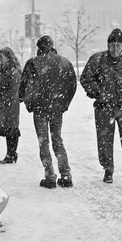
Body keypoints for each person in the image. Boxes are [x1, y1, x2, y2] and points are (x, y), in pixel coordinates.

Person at [80, 28, 122, 186]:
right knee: (105, 140)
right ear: (108, 45)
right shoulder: (97, 59)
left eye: (118, 45)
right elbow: (86, 78)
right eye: (112, 45)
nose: (115, 49)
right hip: (104, 108)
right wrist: (98, 92)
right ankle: (108, 170)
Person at [19, 35, 77, 189]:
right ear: (52, 46)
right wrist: (64, 103)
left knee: (43, 142)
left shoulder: (33, 63)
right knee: (57, 140)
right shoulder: (64, 62)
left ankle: (50, 175)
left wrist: (29, 103)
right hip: (57, 108)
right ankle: (66, 175)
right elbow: (72, 85)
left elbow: (24, 86)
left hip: (40, 109)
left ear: (39, 47)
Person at [0, 47, 22, 164]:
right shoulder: (5, 70)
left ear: (8, 57)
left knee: (12, 130)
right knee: (9, 130)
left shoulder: (13, 71)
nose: (0, 59)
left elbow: (13, 91)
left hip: (10, 105)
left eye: (1, 57)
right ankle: (11, 154)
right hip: (5, 104)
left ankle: (11, 154)